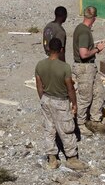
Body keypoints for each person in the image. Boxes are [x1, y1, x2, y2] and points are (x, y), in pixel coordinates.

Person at [35, 37, 86, 171]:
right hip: (60, 101)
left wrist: (43, 99)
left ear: (48, 49)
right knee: (67, 129)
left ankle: (52, 158)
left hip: (46, 98)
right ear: (61, 50)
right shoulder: (64, 67)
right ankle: (71, 158)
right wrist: (74, 103)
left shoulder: (40, 65)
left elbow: (39, 86)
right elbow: (69, 88)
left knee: (49, 129)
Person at [71, 6, 105, 127]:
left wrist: (94, 49)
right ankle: (80, 124)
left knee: (99, 92)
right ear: (94, 18)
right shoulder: (84, 32)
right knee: (85, 98)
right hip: (84, 68)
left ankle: (95, 119)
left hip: (90, 67)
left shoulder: (81, 28)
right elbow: (83, 53)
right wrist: (97, 49)